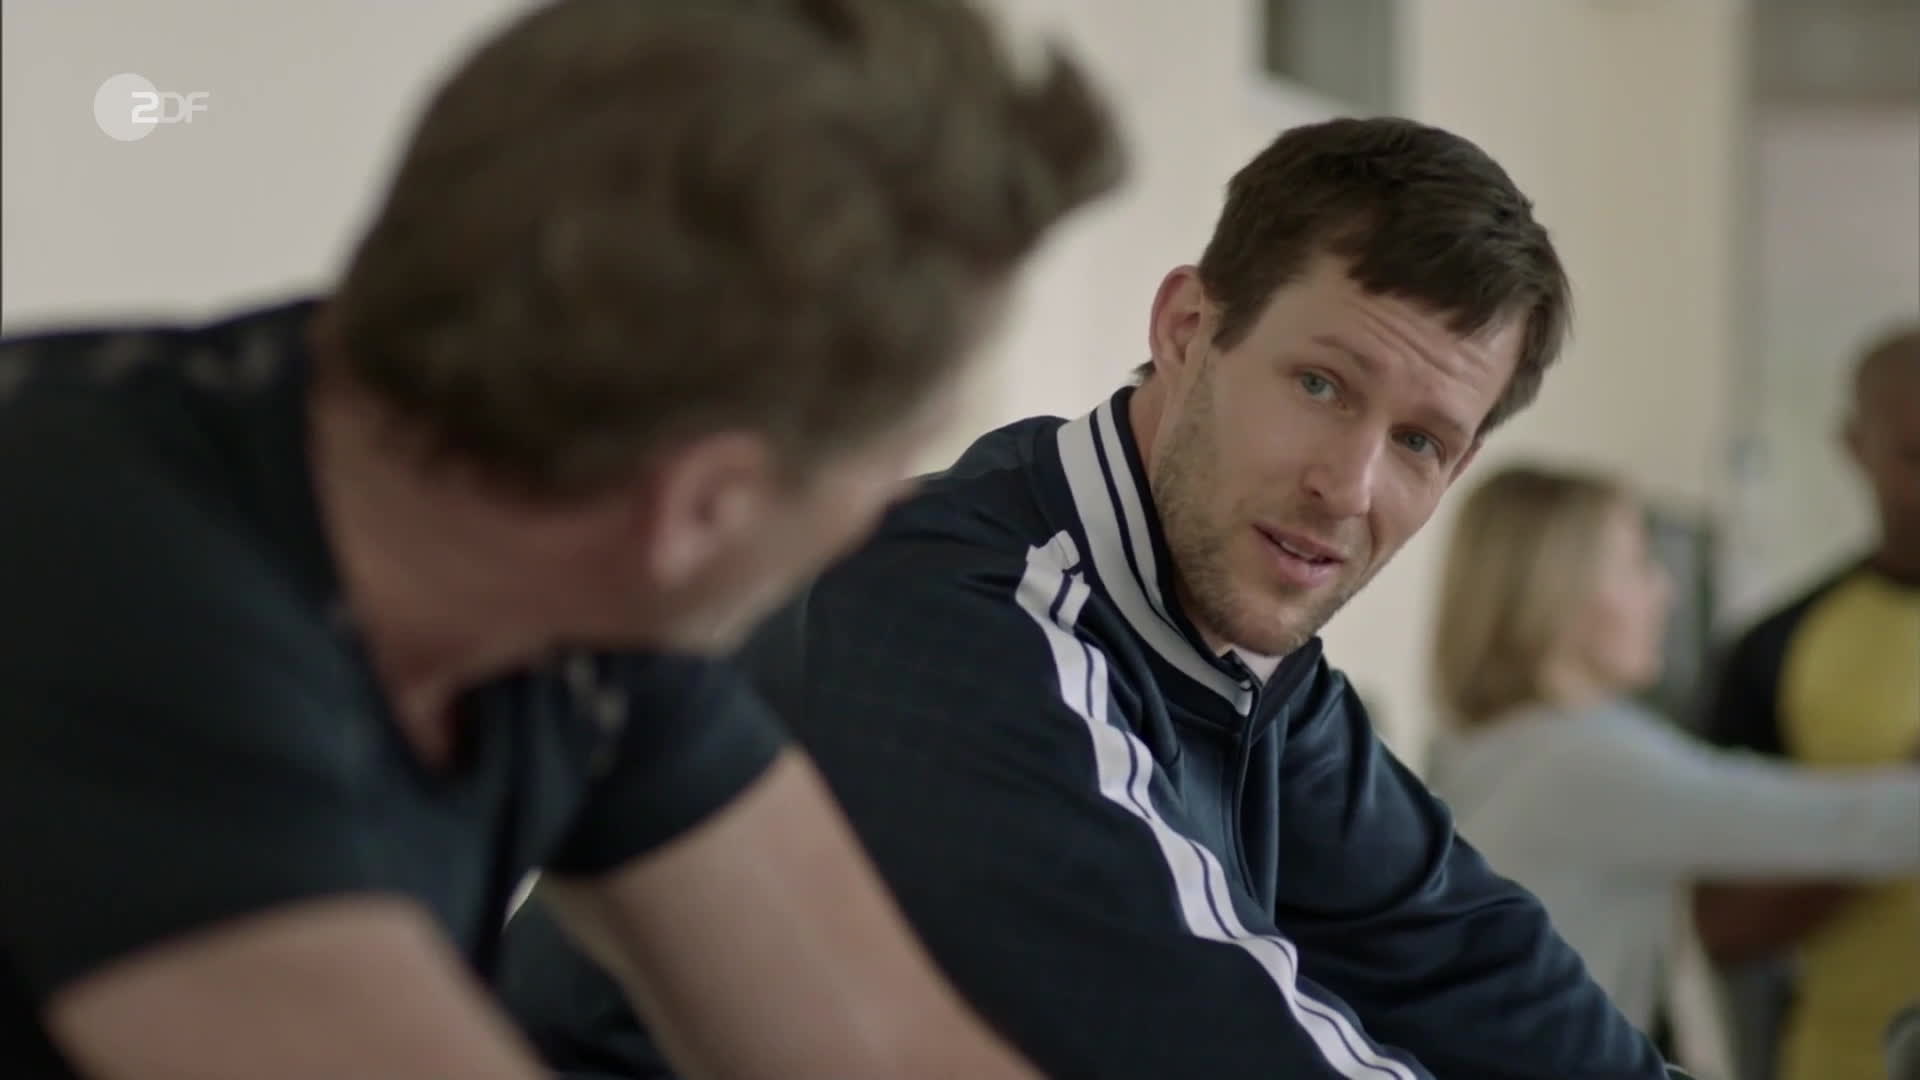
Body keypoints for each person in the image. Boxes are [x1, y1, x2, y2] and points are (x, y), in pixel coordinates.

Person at [0, 1, 1124, 1077]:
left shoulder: (560, 581)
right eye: (891, 462)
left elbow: (887, 1053)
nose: (882, 515)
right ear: (704, 508)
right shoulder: (94, 580)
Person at [497, 115, 1702, 1079]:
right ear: (1187, 328)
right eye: (1322, 385)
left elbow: (1467, 962)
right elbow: (1214, 1042)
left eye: (1422, 442)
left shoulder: (1244, 659)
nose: (1348, 487)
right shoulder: (959, 615)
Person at [1420, 464, 1920, 1052]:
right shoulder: (1581, 761)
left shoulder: (1493, 748)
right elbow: (1864, 826)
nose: (1666, 592)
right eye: (1638, 564)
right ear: (1558, 590)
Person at [1693, 323, 1920, 1080]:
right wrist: (1898, 809)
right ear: (1855, 445)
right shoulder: (1774, 650)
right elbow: (1720, 926)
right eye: (1917, 456)